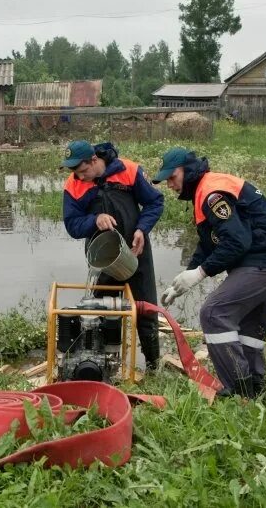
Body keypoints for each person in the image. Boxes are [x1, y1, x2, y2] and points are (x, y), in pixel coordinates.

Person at [152, 147, 266, 398]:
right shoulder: (205, 189)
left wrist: (200, 273)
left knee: (213, 313)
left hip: (265, 257)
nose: (170, 185)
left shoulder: (212, 194)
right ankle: (255, 391)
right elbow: (209, 243)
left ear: (187, 171)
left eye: (172, 177)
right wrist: (183, 279)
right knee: (249, 328)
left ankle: (238, 391)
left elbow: (237, 242)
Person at [61, 140, 164, 369]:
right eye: (75, 172)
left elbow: (155, 202)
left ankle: (153, 366)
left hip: (136, 251)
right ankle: (103, 366)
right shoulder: (73, 184)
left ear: (94, 160)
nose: (80, 177)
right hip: (102, 258)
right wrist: (94, 220)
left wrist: (142, 229)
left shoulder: (129, 170)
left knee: (145, 309)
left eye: (83, 171)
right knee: (100, 311)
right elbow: (72, 225)